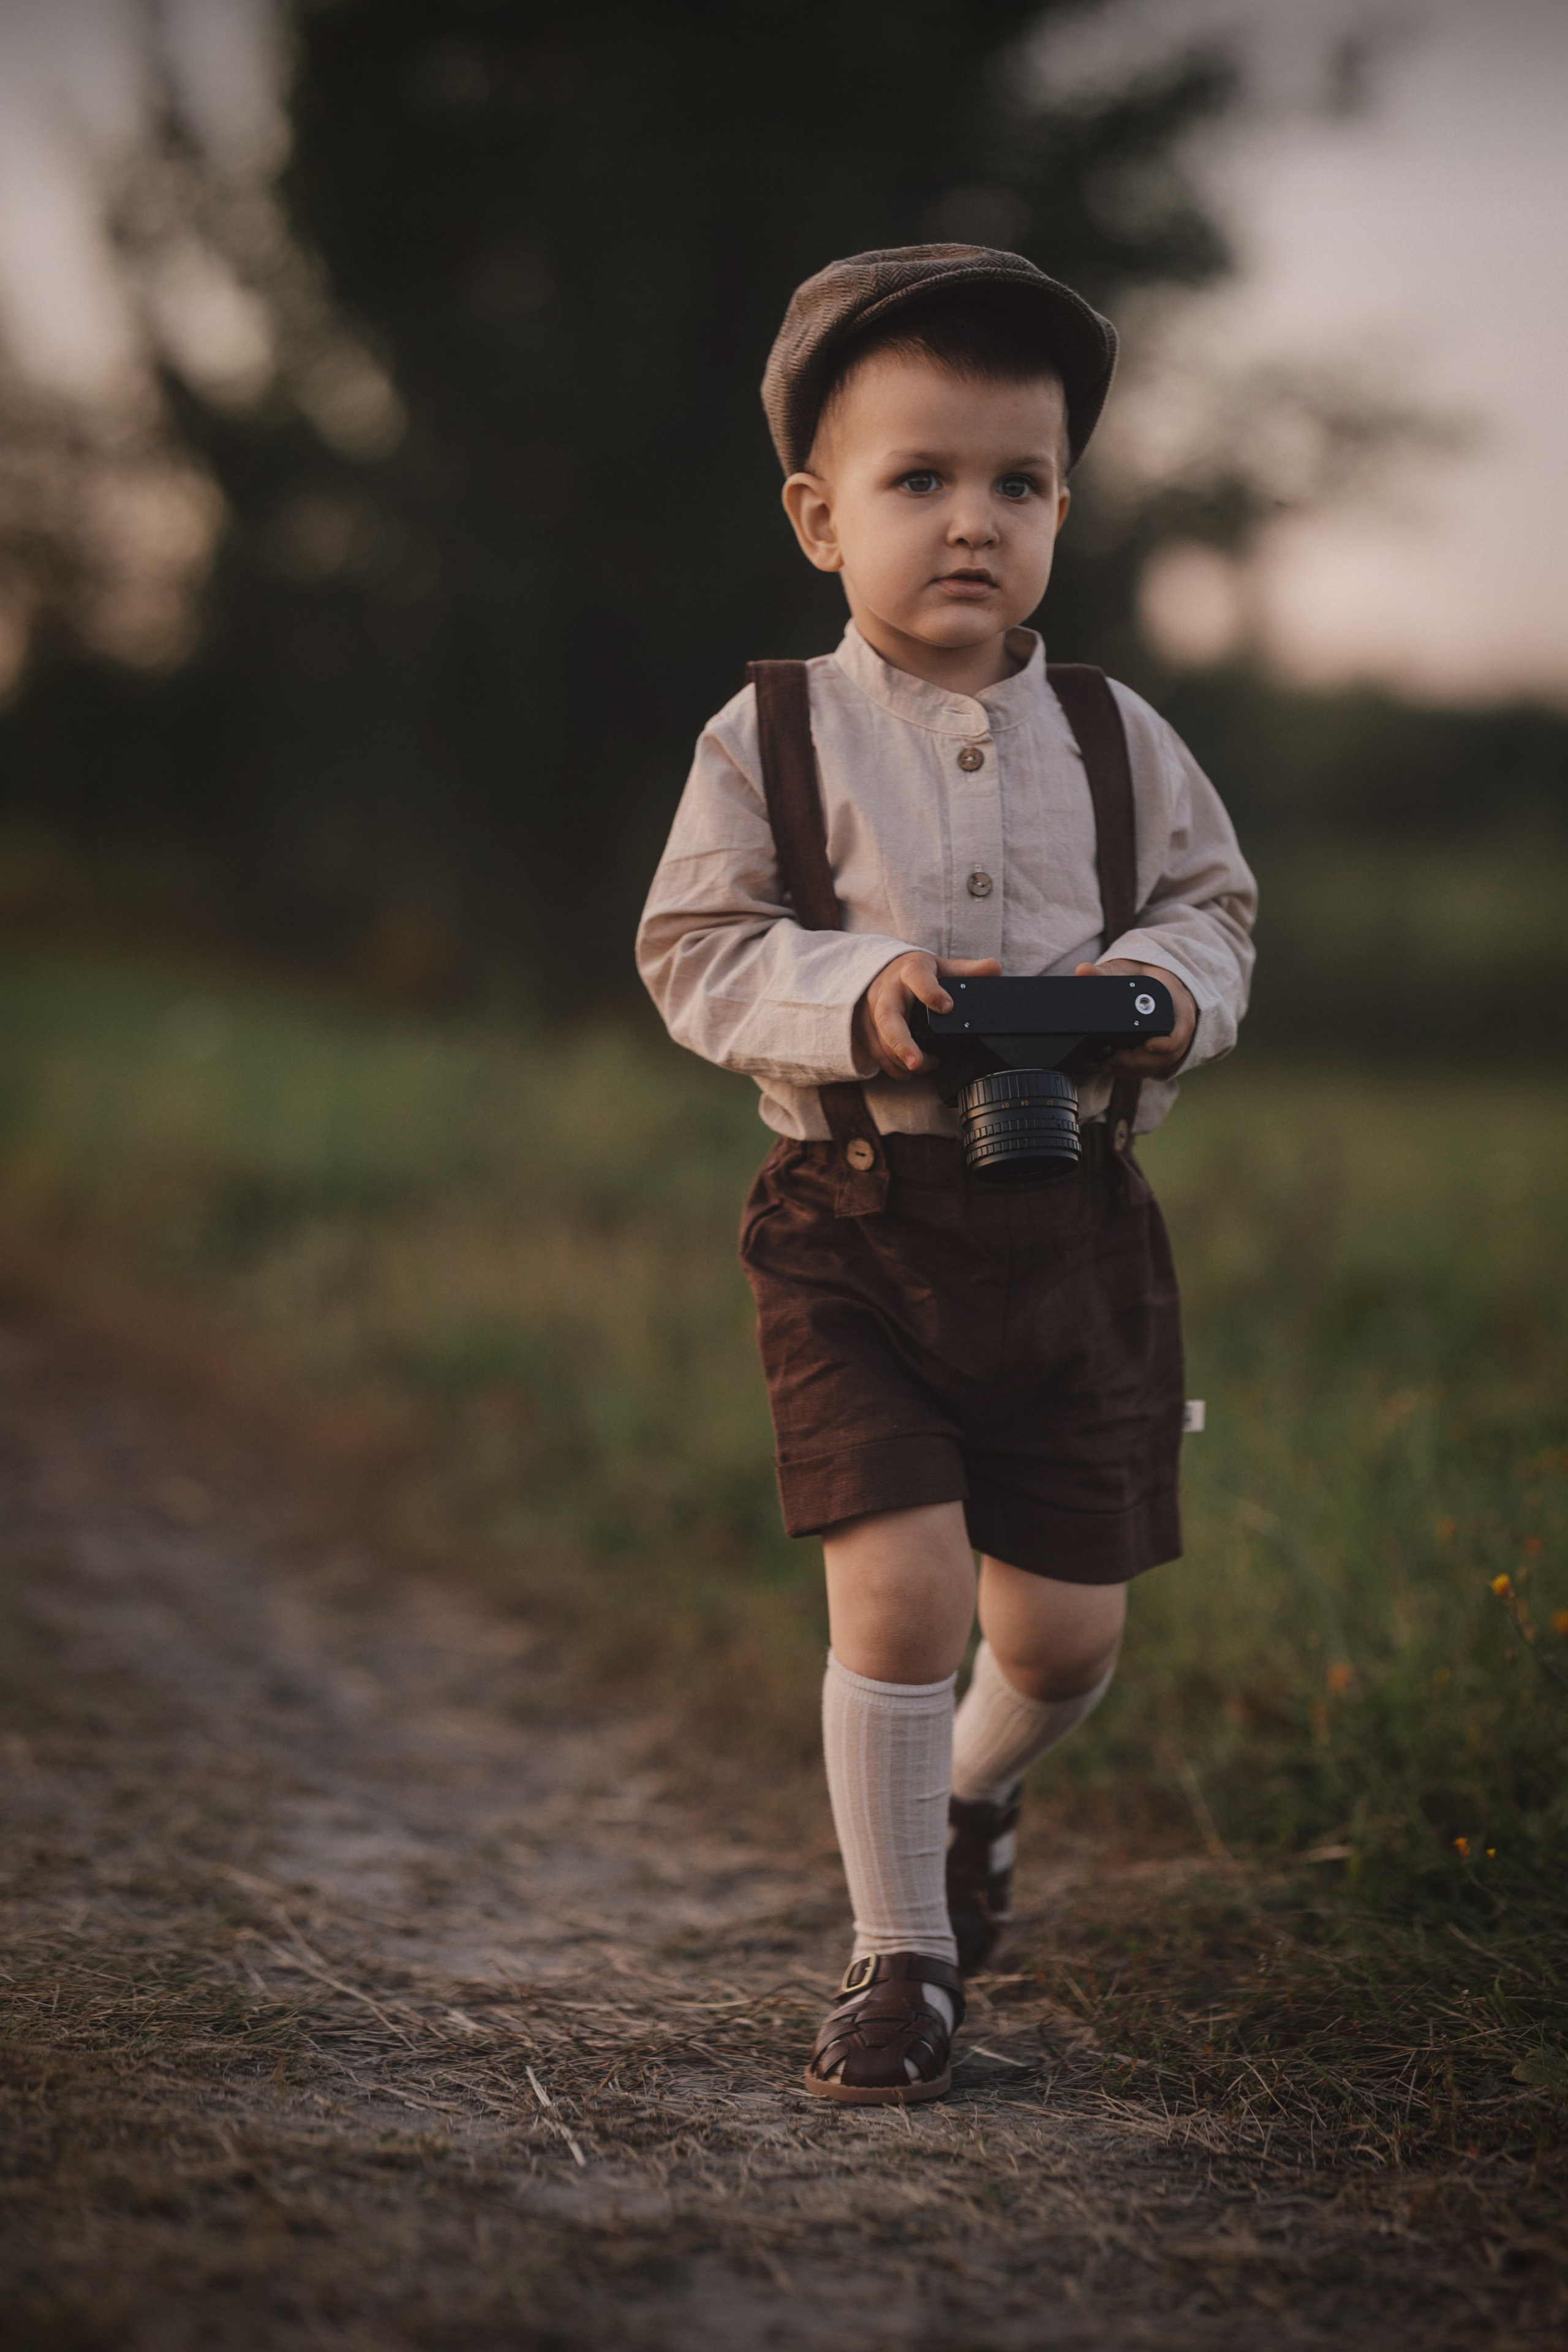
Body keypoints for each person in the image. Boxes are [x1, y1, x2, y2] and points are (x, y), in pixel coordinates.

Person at [636, 245, 1256, 2104]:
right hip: (854, 1224)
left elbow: (1212, 912)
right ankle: (900, 1958)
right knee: (898, 1593)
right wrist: (863, 992)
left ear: (1065, 503)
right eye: (920, 482)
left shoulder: (1120, 738)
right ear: (821, 517)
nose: (971, 524)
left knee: (1060, 1636)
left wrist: (1164, 994)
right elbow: (696, 948)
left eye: (1020, 483)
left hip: (1073, 1226)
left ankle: (975, 1793)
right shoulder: (769, 737)